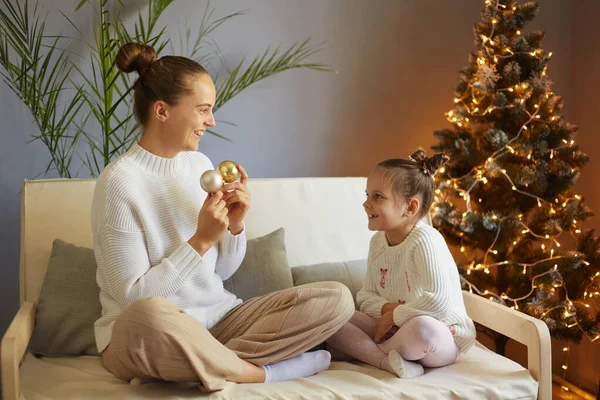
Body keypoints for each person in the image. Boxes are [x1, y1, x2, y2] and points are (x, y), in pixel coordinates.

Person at [91, 42, 354, 391]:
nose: (210, 121)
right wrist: (199, 241)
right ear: (162, 111)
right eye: (202, 110)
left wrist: (234, 225)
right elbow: (133, 299)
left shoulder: (198, 165)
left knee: (336, 299)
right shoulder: (119, 183)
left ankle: (200, 362)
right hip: (145, 330)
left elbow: (222, 273)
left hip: (221, 320)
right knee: (148, 317)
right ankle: (260, 372)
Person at [326, 150, 476, 378]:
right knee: (331, 317)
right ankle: (389, 361)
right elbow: (365, 297)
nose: (366, 204)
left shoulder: (425, 240)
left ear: (410, 208)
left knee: (423, 329)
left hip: (440, 335)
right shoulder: (377, 243)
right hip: (391, 330)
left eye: (377, 196)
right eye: (367, 195)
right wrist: (388, 311)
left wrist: (394, 316)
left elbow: (439, 303)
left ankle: (369, 353)